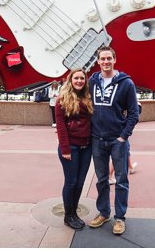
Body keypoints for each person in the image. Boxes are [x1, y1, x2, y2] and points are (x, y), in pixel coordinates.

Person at [87, 46, 139, 236]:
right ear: (98, 61)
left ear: (114, 60)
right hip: (97, 139)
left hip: (118, 140)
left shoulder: (126, 83)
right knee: (101, 180)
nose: (106, 62)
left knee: (121, 180)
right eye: (102, 59)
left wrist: (123, 136)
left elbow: (134, 113)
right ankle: (104, 213)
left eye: (109, 58)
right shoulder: (91, 82)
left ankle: (120, 218)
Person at [54, 69, 93, 230]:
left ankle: (74, 213)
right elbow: (61, 126)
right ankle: (68, 216)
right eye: (76, 78)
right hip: (70, 147)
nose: (79, 81)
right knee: (71, 182)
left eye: (82, 78)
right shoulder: (62, 99)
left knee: (80, 183)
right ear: (70, 80)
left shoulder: (88, 97)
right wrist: (65, 149)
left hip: (87, 146)